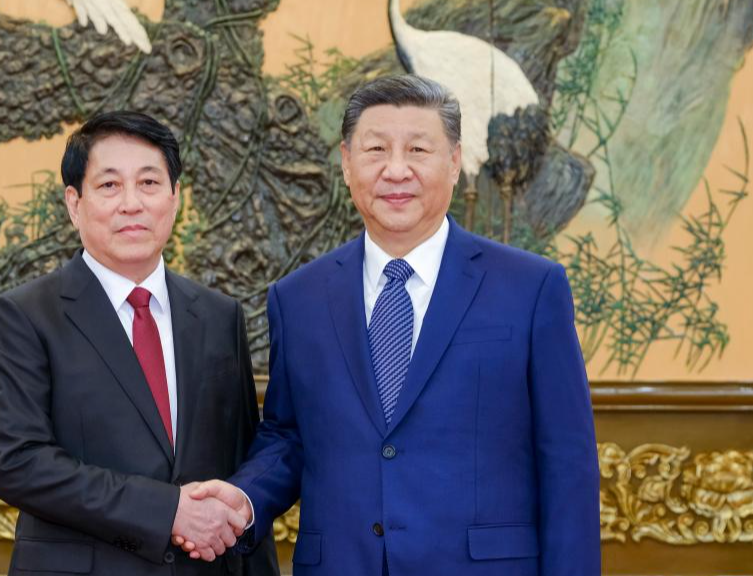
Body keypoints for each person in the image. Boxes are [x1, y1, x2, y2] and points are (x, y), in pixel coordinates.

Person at [183, 75, 601, 575]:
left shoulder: (531, 289)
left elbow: (567, 464)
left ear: (453, 162)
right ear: (346, 162)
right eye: (376, 148)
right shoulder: (298, 299)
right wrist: (242, 500)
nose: (395, 170)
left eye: (418, 149)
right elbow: (289, 436)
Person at [0, 110, 279, 576]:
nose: (131, 204)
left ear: (175, 197)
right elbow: (19, 463)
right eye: (108, 186)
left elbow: (240, 460)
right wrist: (168, 510)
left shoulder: (220, 315)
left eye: (148, 183)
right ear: (73, 203)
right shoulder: (25, 315)